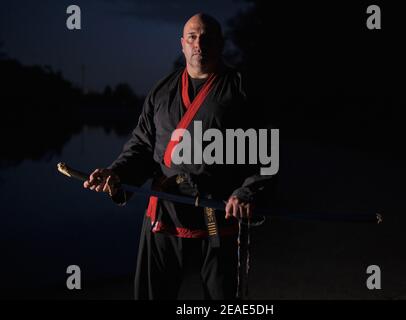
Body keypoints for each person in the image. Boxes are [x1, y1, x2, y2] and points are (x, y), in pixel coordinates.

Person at [83, 13, 271, 300]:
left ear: (220, 44)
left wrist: (247, 191)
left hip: (217, 210)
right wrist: (116, 174)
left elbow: (266, 151)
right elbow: (141, 148)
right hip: (167, 210)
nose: (199, 44)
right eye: (192, 37)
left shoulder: (242, 89)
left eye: (207, 37)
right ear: (182, 44)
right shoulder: (161, 92)